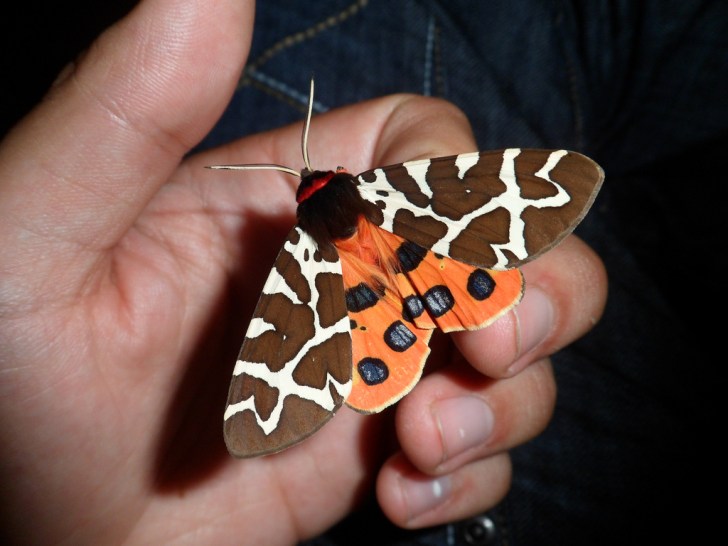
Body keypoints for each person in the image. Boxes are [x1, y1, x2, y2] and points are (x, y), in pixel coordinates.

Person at [0, 1, 721, 545]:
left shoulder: (298, 253)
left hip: (370, 311)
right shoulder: (382, 193)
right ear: (342, 177)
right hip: (422, 243)